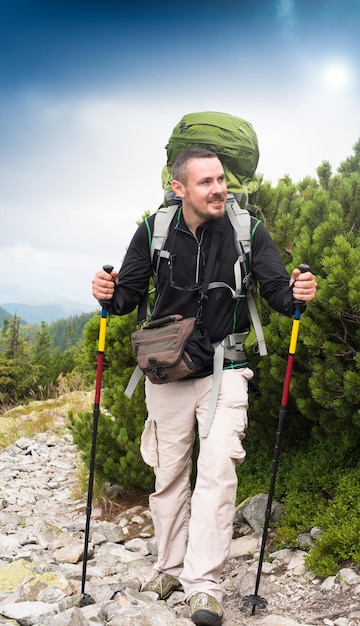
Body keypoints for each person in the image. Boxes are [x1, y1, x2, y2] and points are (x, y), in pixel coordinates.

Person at [92, 147, 317, 626]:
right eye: (206, 182)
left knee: (217, 474)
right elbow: (128, 296)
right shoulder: (154, 230)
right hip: (167, 374)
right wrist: (107, 293)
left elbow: (277, 291)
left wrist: (296, 293)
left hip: (226, 370)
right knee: (168, 476)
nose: (219, 189)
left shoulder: (246, 229)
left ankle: (204, 586)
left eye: (221, 180)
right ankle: (170, 568)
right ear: (179, 188)